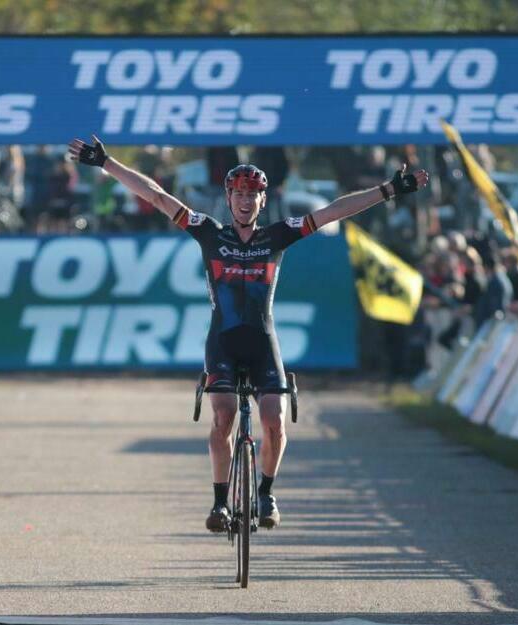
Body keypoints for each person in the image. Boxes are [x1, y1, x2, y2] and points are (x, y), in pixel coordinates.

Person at [68, 135, 429, 533]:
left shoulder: (276, 237)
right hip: (222, 339)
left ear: (262, 200)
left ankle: (267, 491)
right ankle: (220, 502)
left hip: (262, 339)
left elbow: (333, 212)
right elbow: (156, 196)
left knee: (274, 421)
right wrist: (107, 163)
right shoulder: (209, 232)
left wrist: (389, 190)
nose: (245, 200)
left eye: (253, 194)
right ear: (228, 198)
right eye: (238, 193)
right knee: (223, 416)